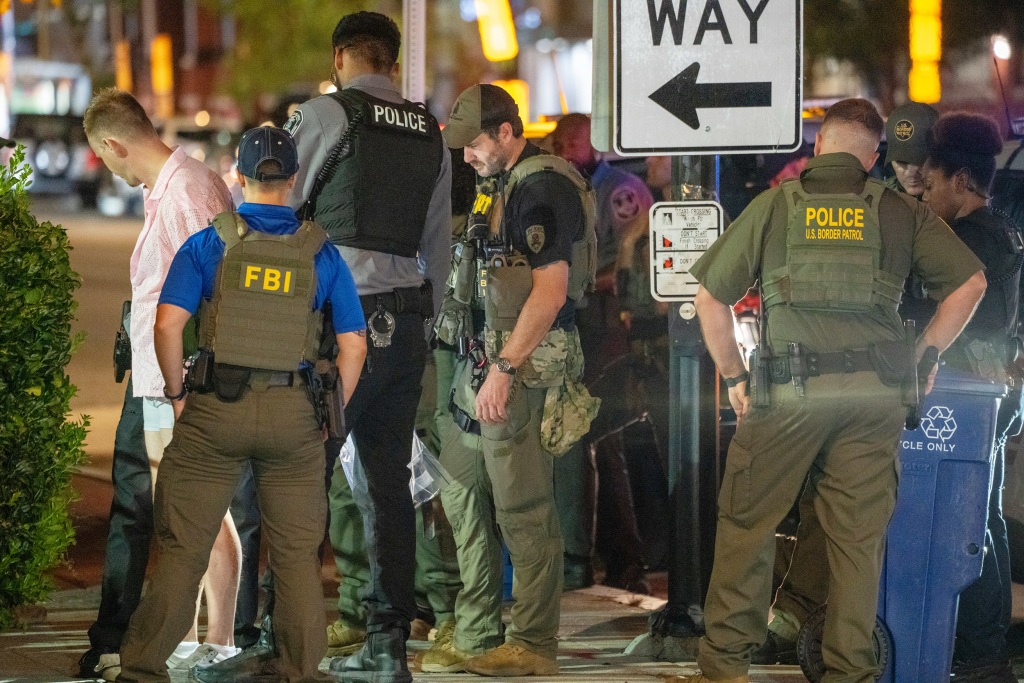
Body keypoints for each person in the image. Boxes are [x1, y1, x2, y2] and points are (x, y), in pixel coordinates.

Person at [681, 98, 987, 683]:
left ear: (819, 146)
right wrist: (925, 354)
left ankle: (724, 665)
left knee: (748, 525)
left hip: (788, 395)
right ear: (873, 157)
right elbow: (971, 283)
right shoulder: (899, 211)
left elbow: (709, 300)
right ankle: (850, 671)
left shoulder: (775, 206)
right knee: (856, 542)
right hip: (873, 400)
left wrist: (736, 377)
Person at [114, 125, 367, 683]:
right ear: (293, 179)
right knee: (296, 557)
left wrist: (178, 395)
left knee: (185, 549)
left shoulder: (209, 243)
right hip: (292, 414)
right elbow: (354, 343)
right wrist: (331, 414)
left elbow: (167, 324)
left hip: (215, 410)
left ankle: (143, 669)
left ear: (241, 177)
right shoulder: (320, 252)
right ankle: (300, 669)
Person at [288, 11, 450, 683]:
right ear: (392, 62)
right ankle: (388, 648)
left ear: (339, 58)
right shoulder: (430, 133)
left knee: (297, 475)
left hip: (339, 330)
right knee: (389, 487)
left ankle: (283, 639)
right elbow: (438, 248)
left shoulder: (325, 116)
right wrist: (418, 331)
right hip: (405, 326)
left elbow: (279, 209)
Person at [756, 100, 943, 666]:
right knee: (829, 507)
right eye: (901, 162)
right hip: (869, 382)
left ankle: (936, 640)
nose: (912, 173)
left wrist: (928, 352)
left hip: (920, 385)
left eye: (921, 162)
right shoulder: (876, 208)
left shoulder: (940, 221)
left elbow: (971, 291)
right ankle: (810, 624)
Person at [421, 83, 599, 677]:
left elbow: (550, 292)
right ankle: (476, 631)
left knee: (523, 509)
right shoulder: (497, 183)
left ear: (505, 132)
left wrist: (503, 370)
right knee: (458, 485)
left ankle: (532, 643)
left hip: (519, 369)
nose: (466, 155)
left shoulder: (541, 188)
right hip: (482, 364)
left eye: (473, 144)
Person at [78, 88, 235, 682]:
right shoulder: (173, 188)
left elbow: (215, 290)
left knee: (170, 513)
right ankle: (173, 638)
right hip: (159, 378)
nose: (108, 167)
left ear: (114, 144)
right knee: (163, 511)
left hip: (172, 383)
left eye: (104, 156)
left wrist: (181, 389)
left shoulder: (187, 192)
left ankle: (167, 640)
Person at [923, 112, 1023, 683]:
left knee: (967, 525)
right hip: (993, 396)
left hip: (964, 398)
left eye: (933, 182)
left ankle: (980, 653)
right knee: (984, 521)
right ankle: (985, 653)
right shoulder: (1006, 230)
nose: (926, 193)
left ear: (960, 179)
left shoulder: (967, 242)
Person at [549, 113, 654, 591]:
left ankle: (623, 561)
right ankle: (610, 559)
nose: (560, 149)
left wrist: (584, 284)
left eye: (567, 141)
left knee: (599, 442)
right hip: (577, 325)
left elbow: (637, 260)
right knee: (586, 444)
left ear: (590, 142)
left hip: (607, 326)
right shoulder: (565, 185)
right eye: (557, 143)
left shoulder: (620, 191)